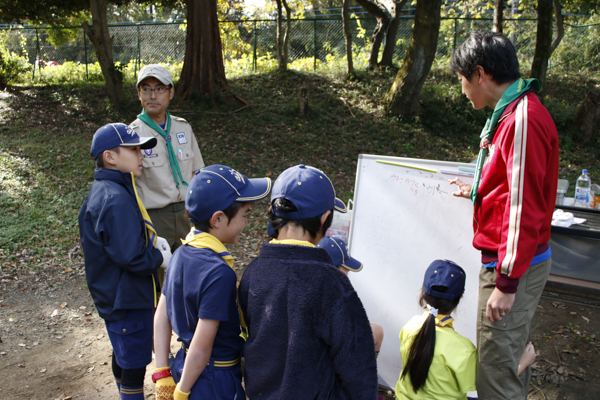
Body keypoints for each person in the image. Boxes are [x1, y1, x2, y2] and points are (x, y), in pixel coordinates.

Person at [448, 31, 559, 399]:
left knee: (495, 374)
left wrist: (507, 283)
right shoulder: (512, 112)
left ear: (480, 74)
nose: (462, 89)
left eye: (462, 80)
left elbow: (525, 206)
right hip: (513, 261)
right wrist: (479, 190)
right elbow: (512, 184)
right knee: (509, 359)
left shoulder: (521, 119)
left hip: (512, 266)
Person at [239, 164, 378, 400]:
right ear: (325, 218)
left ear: (273, 213)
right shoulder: (333, 284)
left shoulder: (252, 273)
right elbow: (358, 368)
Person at [152, 164, 272, 400]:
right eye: (245, 215)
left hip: (184, 365)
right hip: (213, 379)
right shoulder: (218, 273)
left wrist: (162, 371)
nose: (247, 223)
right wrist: (182, 392)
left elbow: (160, 315)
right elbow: (202, 345)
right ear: (218, 219)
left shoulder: (181, 253)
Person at [79, 123, 172, 400]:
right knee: (133, 365)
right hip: (127, 298)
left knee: (123, 355)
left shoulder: (109, 190)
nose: (141, 155)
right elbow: (131, 257)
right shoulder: (115, 198)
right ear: (110, 157)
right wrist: (159, 256)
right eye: (133, 149)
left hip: (117, 295)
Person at [395, 260, 536, 400]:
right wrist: (521, 364)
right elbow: (488, 386)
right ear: (460, 298)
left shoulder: (410, 326)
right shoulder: (464, 350)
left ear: (422, 291)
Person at [130, 64, 205, 286]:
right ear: (139, 94)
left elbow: (196, 171)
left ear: (171, 92)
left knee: (189, 276)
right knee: (156, 281)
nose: (153, 95)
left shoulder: (183, 128)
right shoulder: (133, 134)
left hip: (185, 215)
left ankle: (186, 321)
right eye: (146, 89)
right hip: (154, 219)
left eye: (159, 89)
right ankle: (157, 321)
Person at [316, 236, 384, 357]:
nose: (347, 273)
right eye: (346, 268)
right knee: (376, 330)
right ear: (333, 268)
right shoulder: (335, 291)